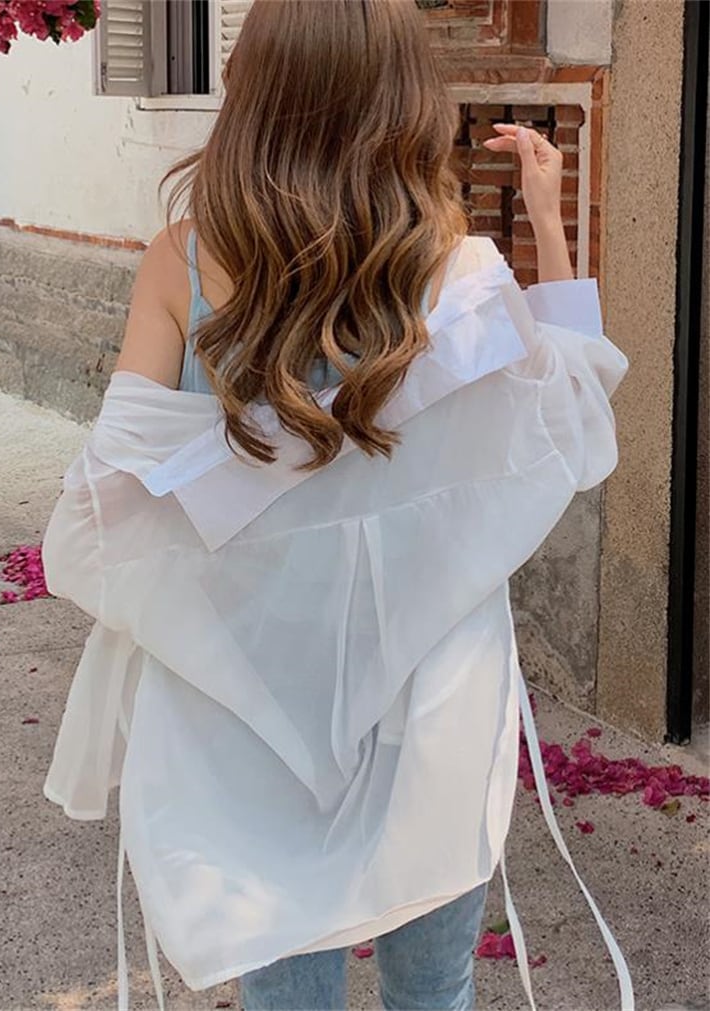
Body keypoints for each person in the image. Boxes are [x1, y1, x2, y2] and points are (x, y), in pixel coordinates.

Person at [41, 2, 634, 1009]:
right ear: (403, 99)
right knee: (432, 989)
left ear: (254, 89)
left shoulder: (182, 260)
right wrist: (545, 213)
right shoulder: (454, 264)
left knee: (287, 988)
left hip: (248, 687)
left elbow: (111, 497)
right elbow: (571, 420)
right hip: (430, 676)